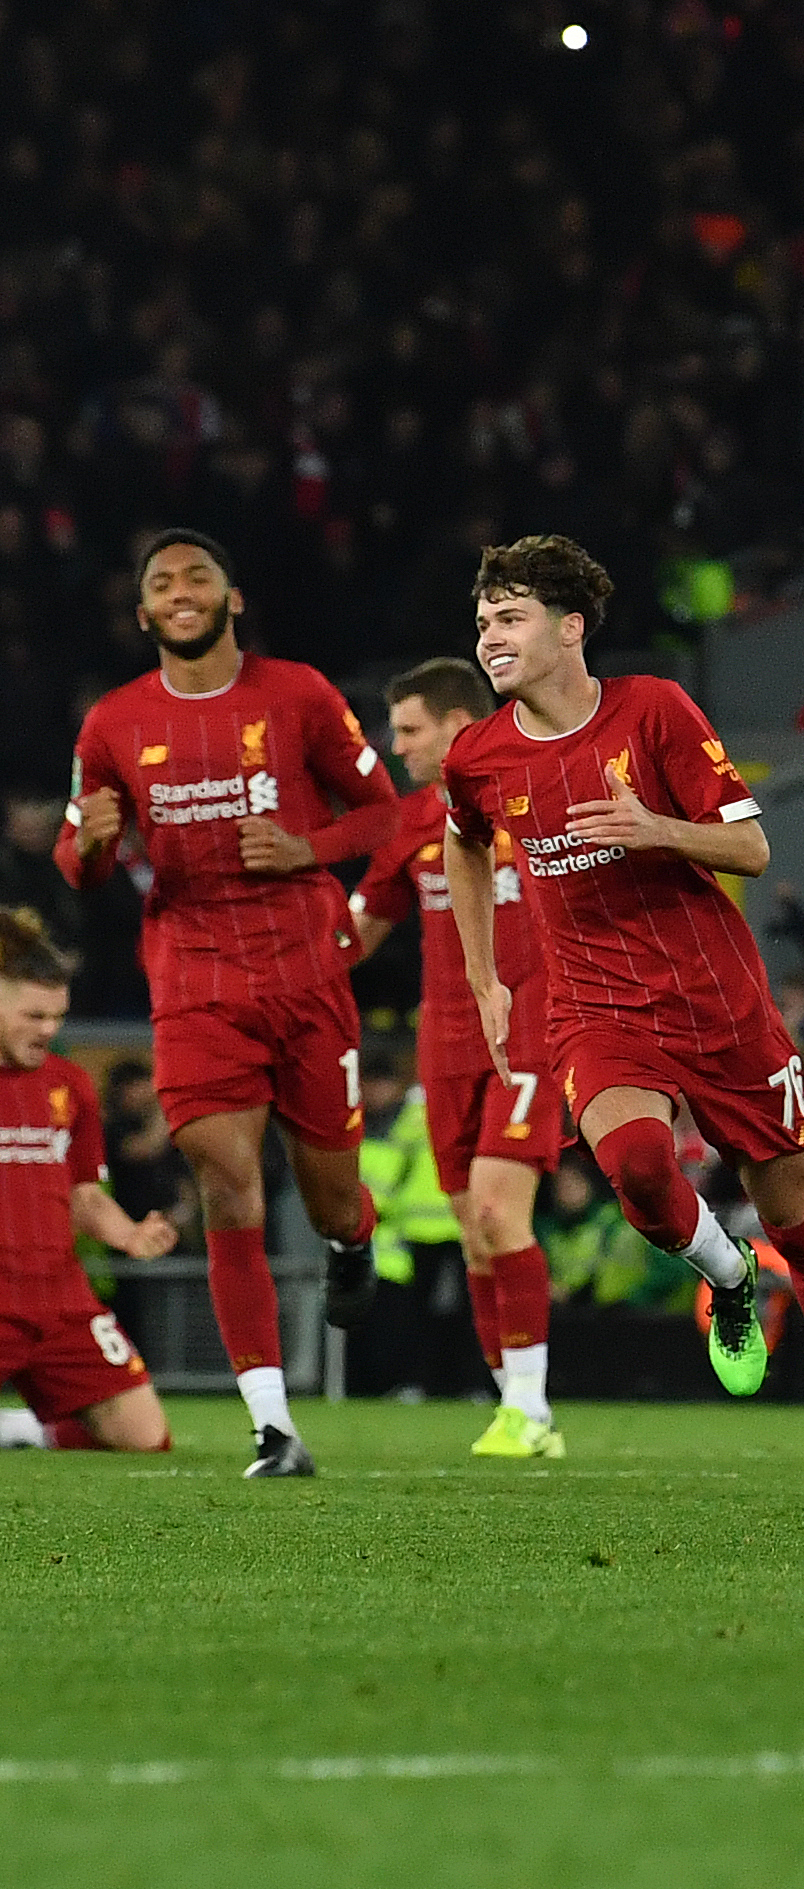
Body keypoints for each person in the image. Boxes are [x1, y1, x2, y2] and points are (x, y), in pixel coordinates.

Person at [440, 535, 804, 1502]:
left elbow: (754, 850)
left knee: (801, 1221)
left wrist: (653, 830)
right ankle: (725, 1275)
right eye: (483, 622)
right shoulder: (478, 755)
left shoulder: (652, 711)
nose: (490, 638)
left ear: (570, 628)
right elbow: (464, 841)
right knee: (639, 1169)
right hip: (596, 1009)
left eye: (510, 618)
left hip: (720, 1008)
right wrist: (484, 978)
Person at [53, 529, 399, 1479]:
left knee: (331, 1194)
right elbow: (72, 857)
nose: (180, 591)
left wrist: (307, 849)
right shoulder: (113, 724)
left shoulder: (299, 695)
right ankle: (273, 1425)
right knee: (225, 1180)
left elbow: (388, 813)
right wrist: (90, 845)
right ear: (143, 614)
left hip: (305, 974)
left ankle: (349, 1239)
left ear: (231, 597)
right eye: (161, 581)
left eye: (197, 575)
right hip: (194, 978)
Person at [349, 657, 567, 1458]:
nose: (396, 745)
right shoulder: (411, 822)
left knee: (496, 1213)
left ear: (455, 724)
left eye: (409, 729)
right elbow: (357, 933)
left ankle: (530, 1410)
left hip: (530, 1035)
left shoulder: (535, 794)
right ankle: (516, 1403)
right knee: (475, 1236)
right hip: (442, 1052)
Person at [0, 910, 180, 1452]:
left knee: (147, 1440)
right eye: (33, 1016)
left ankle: (27, 1430)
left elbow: (81, 1193)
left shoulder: (70, 1084)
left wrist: (127, 1234)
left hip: (60, 1299)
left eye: (57, 1016)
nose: (49, 1030)